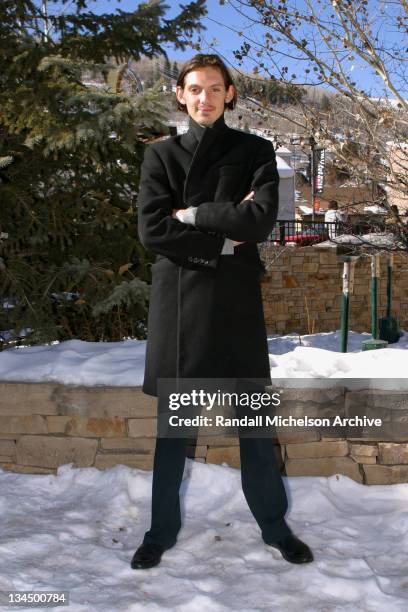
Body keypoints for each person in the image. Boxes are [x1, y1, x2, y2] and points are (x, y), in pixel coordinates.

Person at [131, 54, 313, 569]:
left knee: (255, 427)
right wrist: (222, 239)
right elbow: (151, 232)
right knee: (174, 432)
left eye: (215, 88)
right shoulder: (161, 156)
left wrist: (190, 214)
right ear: (181, 95)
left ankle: (276, 529)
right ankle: (158, 532)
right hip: (181, 304)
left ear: (230, 93)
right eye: (195, 89)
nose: (204, 97)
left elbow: (258, 221)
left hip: (235, 304)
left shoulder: (256, 150)